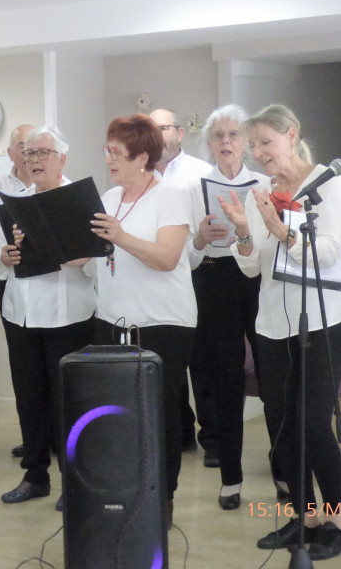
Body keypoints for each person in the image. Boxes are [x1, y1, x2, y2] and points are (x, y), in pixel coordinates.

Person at [219, 104, 341, 560]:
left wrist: (284, 232)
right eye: (251, 144)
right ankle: (305, 516)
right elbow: (253, 265)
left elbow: (332, 252)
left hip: (325, 319)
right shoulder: (257, 191)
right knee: (281, 422)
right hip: (274, 323)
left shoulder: (326, 183)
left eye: (264, 142)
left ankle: (337, 521)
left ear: (291, 135)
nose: (257, 153)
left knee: (312, 421)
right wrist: (244, 232)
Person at [90, 114, 196, 528]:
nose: (109, 159)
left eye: (116, 152)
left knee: (161, 414)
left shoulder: (169, 196)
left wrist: (120, 237)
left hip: (162, 324)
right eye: (108, 150)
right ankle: (124, 493)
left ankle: (162, 498)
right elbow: (91, 257)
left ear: (142, 156)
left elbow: (167, 257)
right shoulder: (107, 196)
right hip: (111, 320)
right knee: (116, 416)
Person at [0, 126, 95, 508]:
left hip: (69, 315)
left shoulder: (81, 201)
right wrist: (5, 257)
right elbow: (1, 257)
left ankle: (74, 482)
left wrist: (79, 256)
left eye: (43, 153)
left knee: (68, 403)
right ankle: (35, 475)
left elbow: (98, 259)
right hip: (21, 315)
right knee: (29, 399)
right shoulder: (15, 201)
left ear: (62, 159)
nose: (34, 160)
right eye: (29, 153)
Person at [187, 104, 269, 509]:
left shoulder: (266, 184)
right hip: (213, 279)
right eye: (218, 136)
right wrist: (200, 238)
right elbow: (183, 255)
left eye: (234, 135)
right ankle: (230, 478)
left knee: (272, 373)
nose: (226, 142)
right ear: (209, 144)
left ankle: (283, 465)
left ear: (246, 144)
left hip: (258, 281)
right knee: (225, 378)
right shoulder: (194, 187)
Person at [148, 108, 214, 456]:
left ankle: (213, 440)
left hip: (200, 270)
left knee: (202, 362)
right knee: (168, 366)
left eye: (164, 128)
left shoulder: (200, 173)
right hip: (158, 279)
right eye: (151, 129)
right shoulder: (142, 177)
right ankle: (181, 432)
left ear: (179, 133)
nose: (158, 135)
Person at [0, 123, 34, 459]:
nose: (28, 152)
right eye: (21, 146)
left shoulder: (56, 184)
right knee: (23, 360)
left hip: (52, 284)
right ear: (10, 152)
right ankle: (32, 438)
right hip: (10, 279)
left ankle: (59, 436)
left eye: (34, 146)